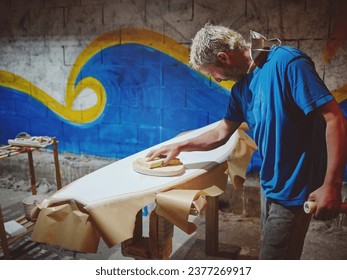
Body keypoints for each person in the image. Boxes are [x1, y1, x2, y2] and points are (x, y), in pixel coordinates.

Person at [146, 23, 347, 259]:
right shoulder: (242, 89)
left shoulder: (287, 63)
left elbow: (335, 119)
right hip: (270, 183)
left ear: (224, 57)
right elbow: (221, 133)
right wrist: (179, 145)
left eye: (213, 73)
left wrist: (332, 186)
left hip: (293, 189)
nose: (217, 80)